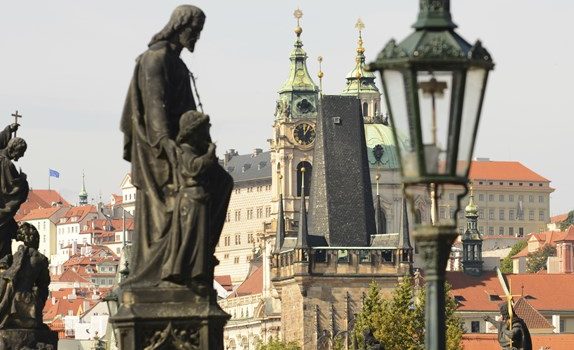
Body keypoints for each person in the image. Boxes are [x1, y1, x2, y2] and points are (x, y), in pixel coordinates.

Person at [121, 5, 232, 288]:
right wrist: (171, 148)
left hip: (182, 144)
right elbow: (155, 113)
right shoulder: (155, 60)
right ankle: (183, 260)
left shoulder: (177, 64)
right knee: (203, 187)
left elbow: (189, 113)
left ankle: (201, 254)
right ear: (179, 27)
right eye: (194, 30)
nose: (196, 35)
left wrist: (204, 144)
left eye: (199, 31)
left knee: (222, 181)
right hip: (158, 150)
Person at [161, 111, 232, 288]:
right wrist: (209, 155)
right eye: (205, 130)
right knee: (192, 241)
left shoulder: (192, 150)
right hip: (191, 203)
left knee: (198, 240)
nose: (208, 134)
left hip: (199, 201)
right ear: (194, 132)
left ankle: (197, 270)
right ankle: (188, 270)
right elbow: (193, 169)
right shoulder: (184, 150)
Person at [0, 223, 50, 329]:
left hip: (15, 304)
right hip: (29, 304)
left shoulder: (15, 257)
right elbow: (44, 286)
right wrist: (39, 302)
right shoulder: (40, 259)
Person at [0, 123, 28, 261]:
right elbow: (13, 191)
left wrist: (8, 130)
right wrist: (23, 181)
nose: (19, 157)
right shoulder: (7, 164)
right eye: (20, 154)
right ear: (13, 150)